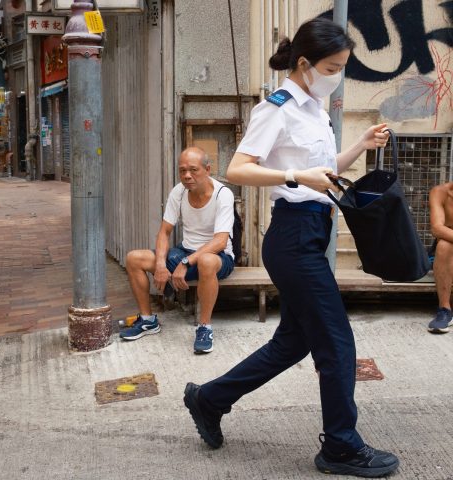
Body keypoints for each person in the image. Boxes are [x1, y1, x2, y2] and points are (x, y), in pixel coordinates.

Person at [183, 17, 399, 478]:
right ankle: (340, 446)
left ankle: (210, 398)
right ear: (305, 63)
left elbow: (321, 169)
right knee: (337, 344)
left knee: (293, 343)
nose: (338, 74)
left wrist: (359, 144)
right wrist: (294, 176)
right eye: (333, 65)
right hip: (293, 237)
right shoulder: (276, 108)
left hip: (311, 232)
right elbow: (239, 169)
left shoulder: (314, 108)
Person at [121, 147, 235, 354]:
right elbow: (164, 232)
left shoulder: (222, 194)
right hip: (185, 252)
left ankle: (204, 327)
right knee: (134, 258)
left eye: (193, 170)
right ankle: (148, 320)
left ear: (207, 169)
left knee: (206, 261)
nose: (187, 176)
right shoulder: (179, 191)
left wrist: (185, 263)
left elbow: (220, 241)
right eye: (182, 171)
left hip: (218, 257)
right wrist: (161, 264)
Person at [427, 182, 453, 333]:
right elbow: (437, 228)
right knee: (444, 244)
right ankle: (444, 310)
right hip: (447, 250)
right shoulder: (440, 192)